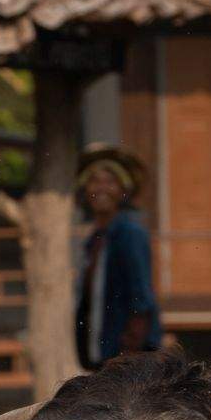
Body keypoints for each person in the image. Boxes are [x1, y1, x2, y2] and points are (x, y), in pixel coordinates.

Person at [74, 145, 161, 368]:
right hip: (103, 356)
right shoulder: (94, 241)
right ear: (85, 190)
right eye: (94, 181)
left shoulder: (130, 234)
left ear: (123, 191)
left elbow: (141, 299)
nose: (101, 188)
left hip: (127, 358)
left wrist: (128, 352)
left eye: (110, 182)